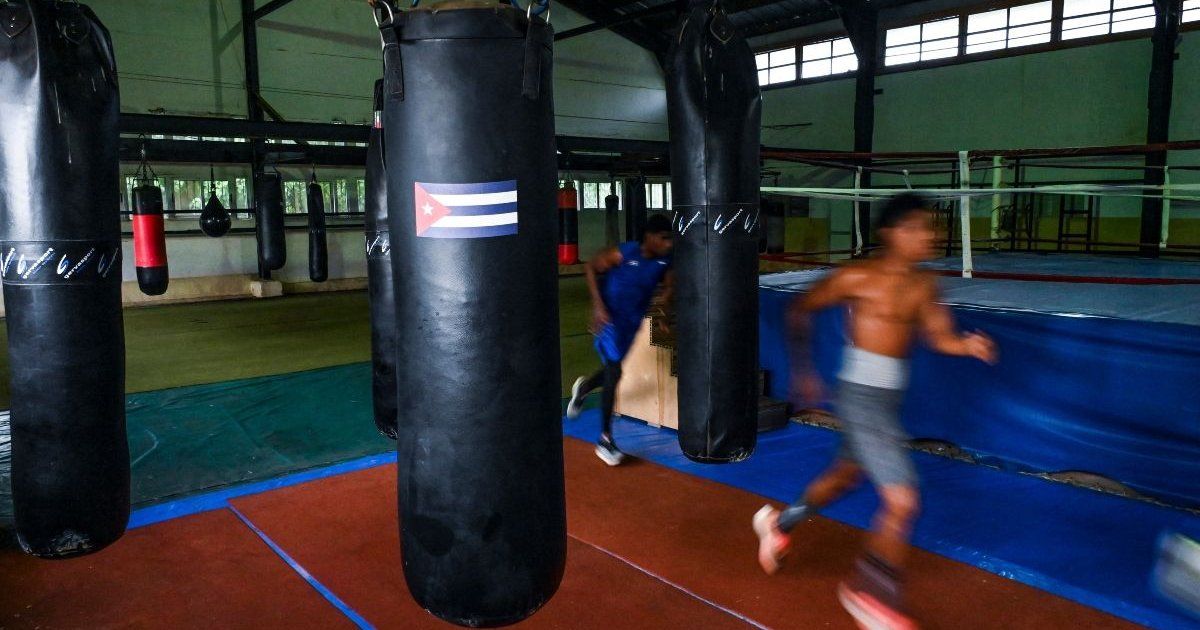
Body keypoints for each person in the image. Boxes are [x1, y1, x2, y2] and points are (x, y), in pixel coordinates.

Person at [751, 193, 998, 629]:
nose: (930, 235)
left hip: (887, 400)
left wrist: (966, 345)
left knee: (846, 475)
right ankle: (868, 591)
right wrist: (805, 371)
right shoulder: (858, 276)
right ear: (892, 233)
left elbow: (939, 337)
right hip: (859, 396)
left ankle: (779, 524)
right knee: (902, 500)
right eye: (919, 227)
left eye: (931, 227)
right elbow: (799, 309)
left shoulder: (925, 285)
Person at [566, 213, 674, 466]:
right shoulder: (624, 253)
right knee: (615, 373)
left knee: (613, 369)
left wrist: (664, 316)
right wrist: (598, 307)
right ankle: (605, 439)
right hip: (610, 319)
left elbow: (669, 289)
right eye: (664, 238)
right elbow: (591, 267)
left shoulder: (664, 262)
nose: (669, 244)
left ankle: (583, 388)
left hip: (631, 323)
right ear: (649, 237)